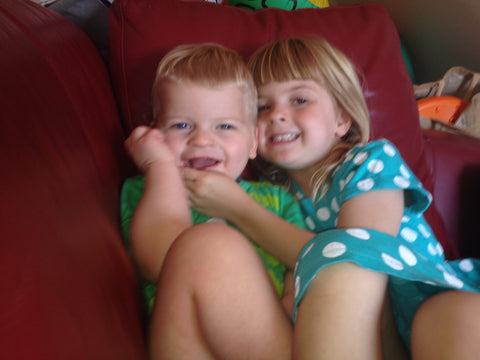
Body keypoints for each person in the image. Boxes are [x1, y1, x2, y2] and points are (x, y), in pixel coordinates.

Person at [185, 37, 480, 359]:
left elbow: (360, 252)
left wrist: (241, 211)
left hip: (421, 298)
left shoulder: (368, 161)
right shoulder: (272, 198)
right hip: (352, 337)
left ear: (342, 118)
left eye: (299, 99)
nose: (277, 115)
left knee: (458, 313)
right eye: (261, 107)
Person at [120, 42, 314, 359]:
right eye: (181, 125)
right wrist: (161, 168)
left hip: (273, 338)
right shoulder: (147, 190)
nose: (202, 140)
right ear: (156, 135)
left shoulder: (276, 201)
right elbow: (159, 262)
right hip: (188, 344)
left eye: (224, 126)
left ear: (253, 142)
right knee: (209, 245)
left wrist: (292, 298)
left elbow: (302, 266)